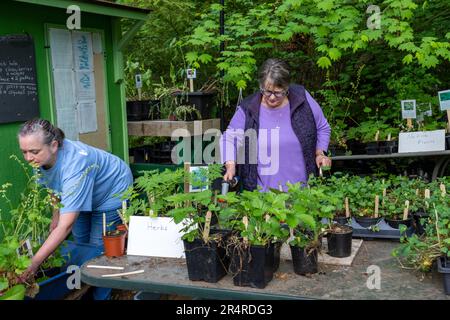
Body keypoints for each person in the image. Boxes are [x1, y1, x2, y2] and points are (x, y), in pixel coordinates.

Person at [18, 119, 133, 299]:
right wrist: (56, 214)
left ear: (54, 145)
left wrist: (34, 264)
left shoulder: (76, 164)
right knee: (80, 242)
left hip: (112, 189)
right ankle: (83, 289)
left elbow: (65, 227)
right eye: (24, 152)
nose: (28, 158)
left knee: (99, 249)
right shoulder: (38, 159)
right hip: (84, 191)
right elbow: (53, 186)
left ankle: (101, 296)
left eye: (33, 151)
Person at [221, 58, 332, 191]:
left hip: (302, 194)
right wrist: (230, 165)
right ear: (261, 86)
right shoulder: (249, 108)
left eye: (278, 92)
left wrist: (320, 153)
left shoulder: (302, 99)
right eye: (267, 91)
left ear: (287, 87)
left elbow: (322, 127)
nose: (272, 97)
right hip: (263, 198)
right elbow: (229, 138)